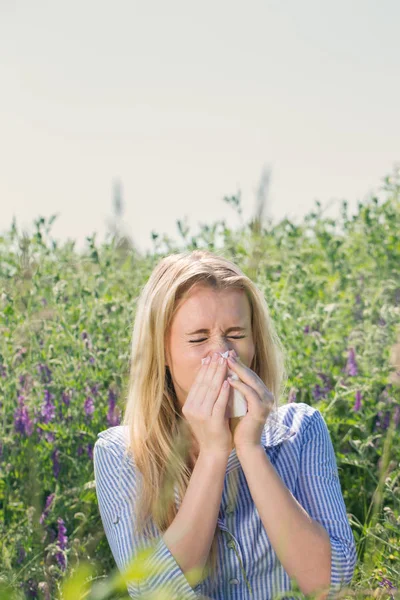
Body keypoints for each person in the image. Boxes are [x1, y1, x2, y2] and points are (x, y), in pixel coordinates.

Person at [93, 250, 357, 600]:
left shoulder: (300, 430)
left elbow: (331, 584)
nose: (222, 354)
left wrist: (250, 449)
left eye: (235, 334)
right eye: (199, 338)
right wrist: (214, 454)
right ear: (163, 354)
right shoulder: (122, 453)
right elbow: (155, 591)